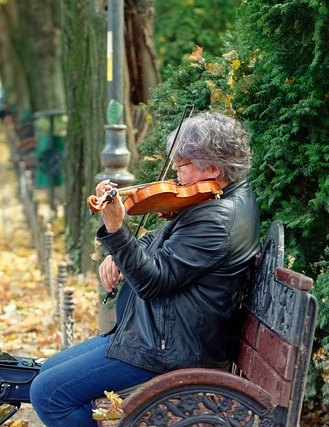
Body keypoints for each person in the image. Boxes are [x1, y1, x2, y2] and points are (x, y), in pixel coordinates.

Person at [29, 111, 260, 426]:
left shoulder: (217, 221)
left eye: (183, 165)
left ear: (214, 169)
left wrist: (118, 234)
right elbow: (166, 241)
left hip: (171, 349)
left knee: (49, 393)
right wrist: (121, 253)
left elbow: (153, 282)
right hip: (162, 331)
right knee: (47, 372)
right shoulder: (220, 197)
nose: (176, 173)